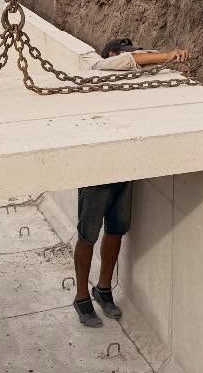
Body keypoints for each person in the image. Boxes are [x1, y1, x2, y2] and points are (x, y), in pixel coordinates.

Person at [72, 35, 190, 328]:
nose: (133, 58)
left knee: (116, 231)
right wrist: (170, 54)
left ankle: (103, 290)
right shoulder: (99, 67)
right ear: (113, 54)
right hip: (95, 168)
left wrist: (171, 65)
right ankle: (81, 297)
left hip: (123, 164)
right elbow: (131, 60)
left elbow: (140, 62)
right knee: (88, 235)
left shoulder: (130, 78)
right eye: (126, 54)